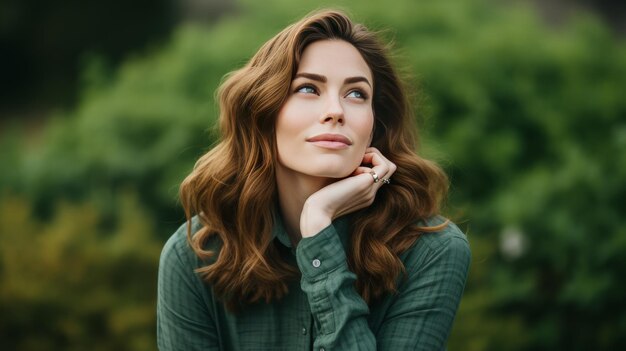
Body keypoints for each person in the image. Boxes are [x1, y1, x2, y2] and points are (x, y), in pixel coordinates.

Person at [157, 9, 471, 351]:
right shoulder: (196, 256)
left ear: (374, 126)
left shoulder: (430, 251)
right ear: (264, 112)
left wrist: (318, 226)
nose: (336, 110)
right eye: (308, 88)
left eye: (356, 94)